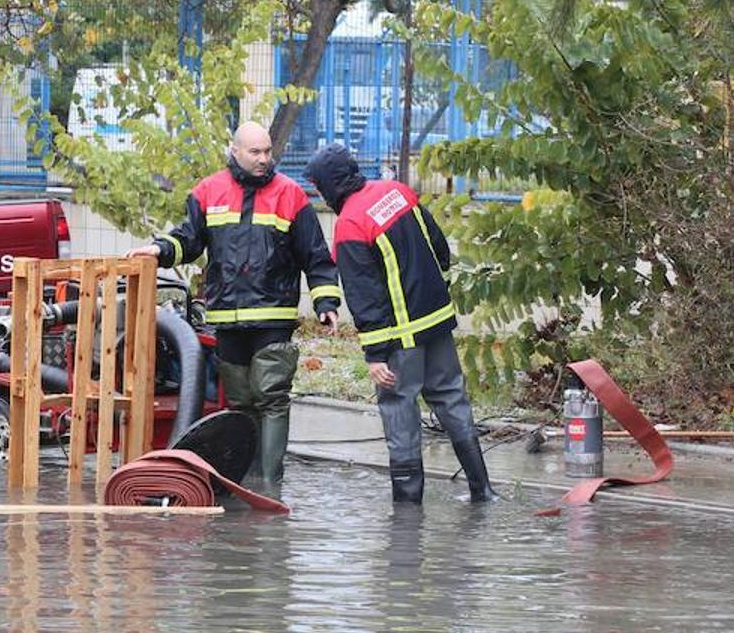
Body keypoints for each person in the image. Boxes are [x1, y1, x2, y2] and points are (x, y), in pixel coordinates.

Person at [128, 121, 341, 489]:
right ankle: (244, 481)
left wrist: (325, 300)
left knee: (271, 396)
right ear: (235, 150)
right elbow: (188, 240)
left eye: (268, 152)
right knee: (241, 402)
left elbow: (316, 256)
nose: (263, 160)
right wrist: (160, 250)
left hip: (273, 315)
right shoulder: (208, 192)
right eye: (255, 152)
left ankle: (269, 481)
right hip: (226, 317)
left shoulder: (290, 195)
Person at [304, 143, 495, 504]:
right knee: (452, 399)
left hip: (398, 340)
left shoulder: (349, 225)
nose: (319, 194)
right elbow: (438, 245)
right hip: (437, 322)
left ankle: (407, 516)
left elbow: (365, 297)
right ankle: (482, 490)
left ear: (329, 184)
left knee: (400, 414)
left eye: (318, 187)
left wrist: (375, 356)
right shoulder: (398, 192)